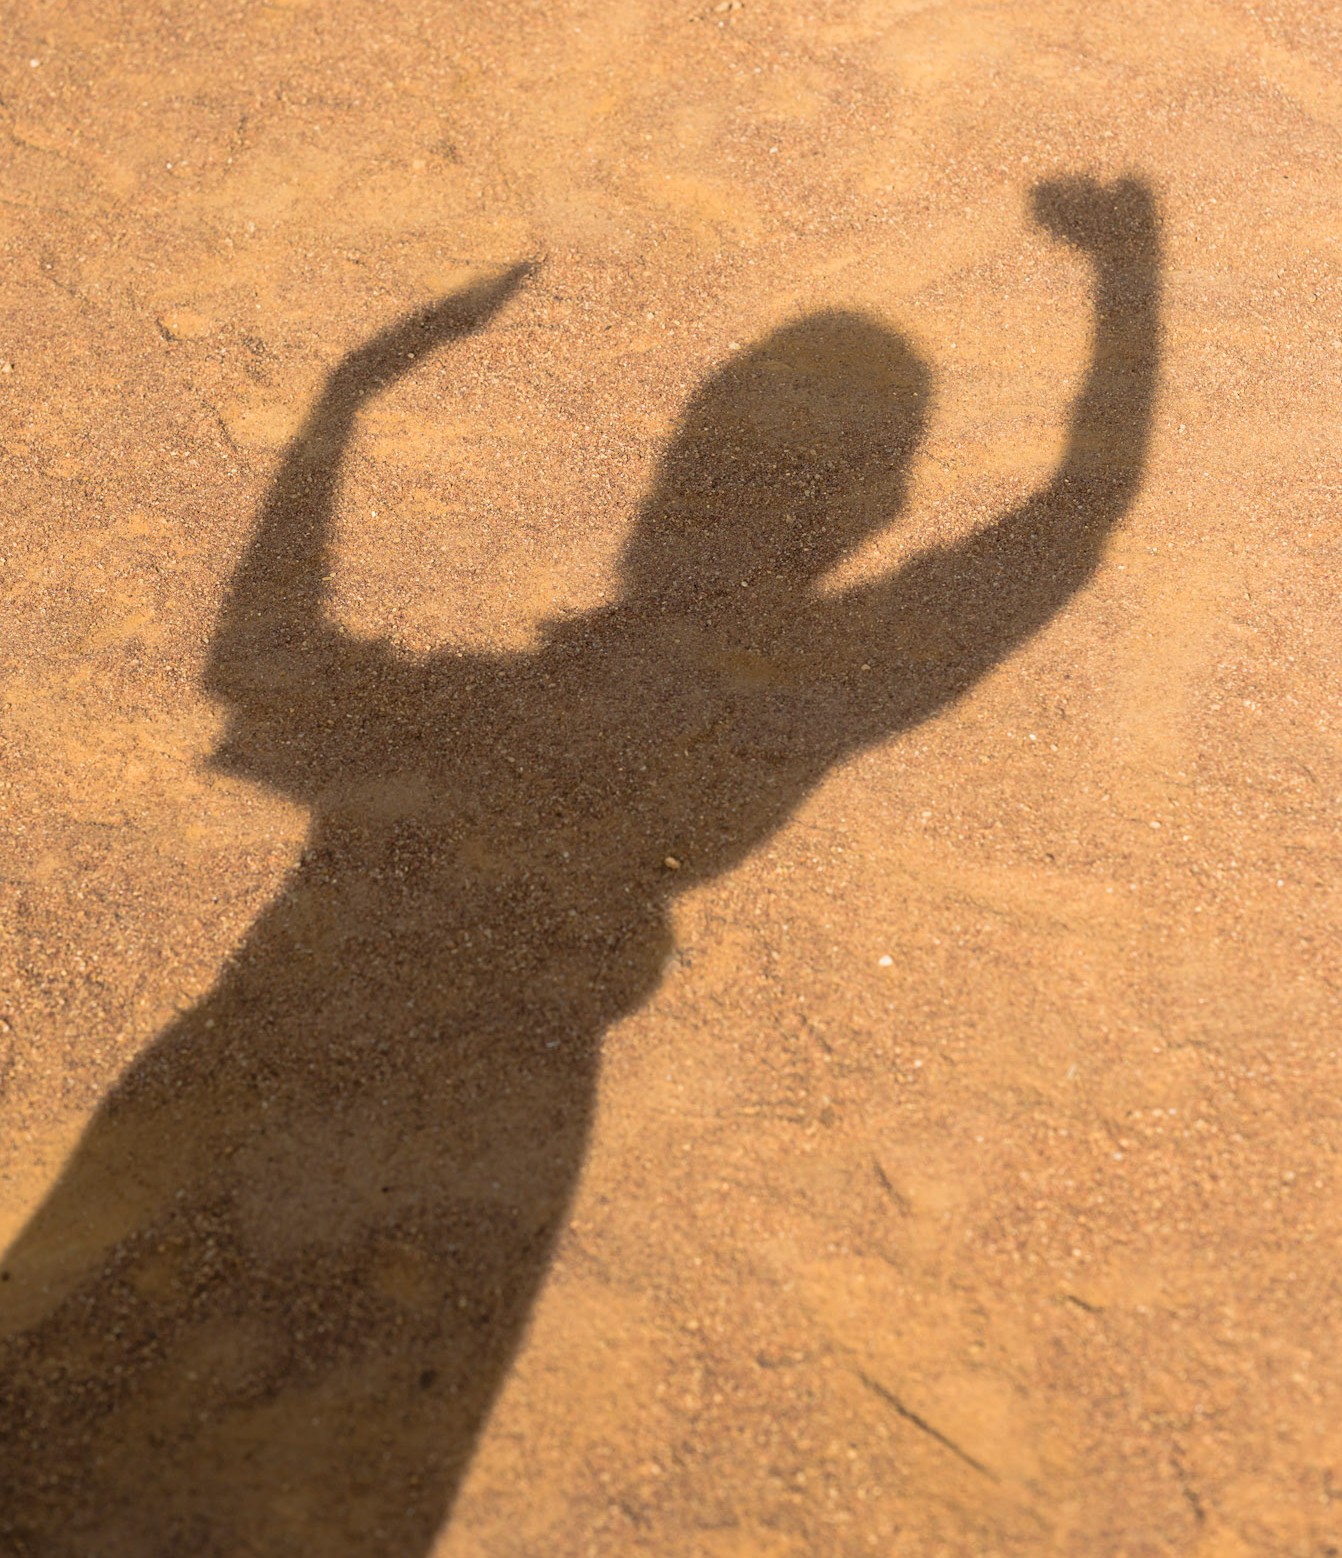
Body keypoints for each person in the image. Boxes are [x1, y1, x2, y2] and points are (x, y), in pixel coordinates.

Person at [0, 176, 1161, 1556]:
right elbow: (1070, 517)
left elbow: (254, 656)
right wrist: (1124, 276)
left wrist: (349, 398)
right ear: (883, 506)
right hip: (481, 1142)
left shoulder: (503, 703)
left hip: (273, 1061)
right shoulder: (810, 696)